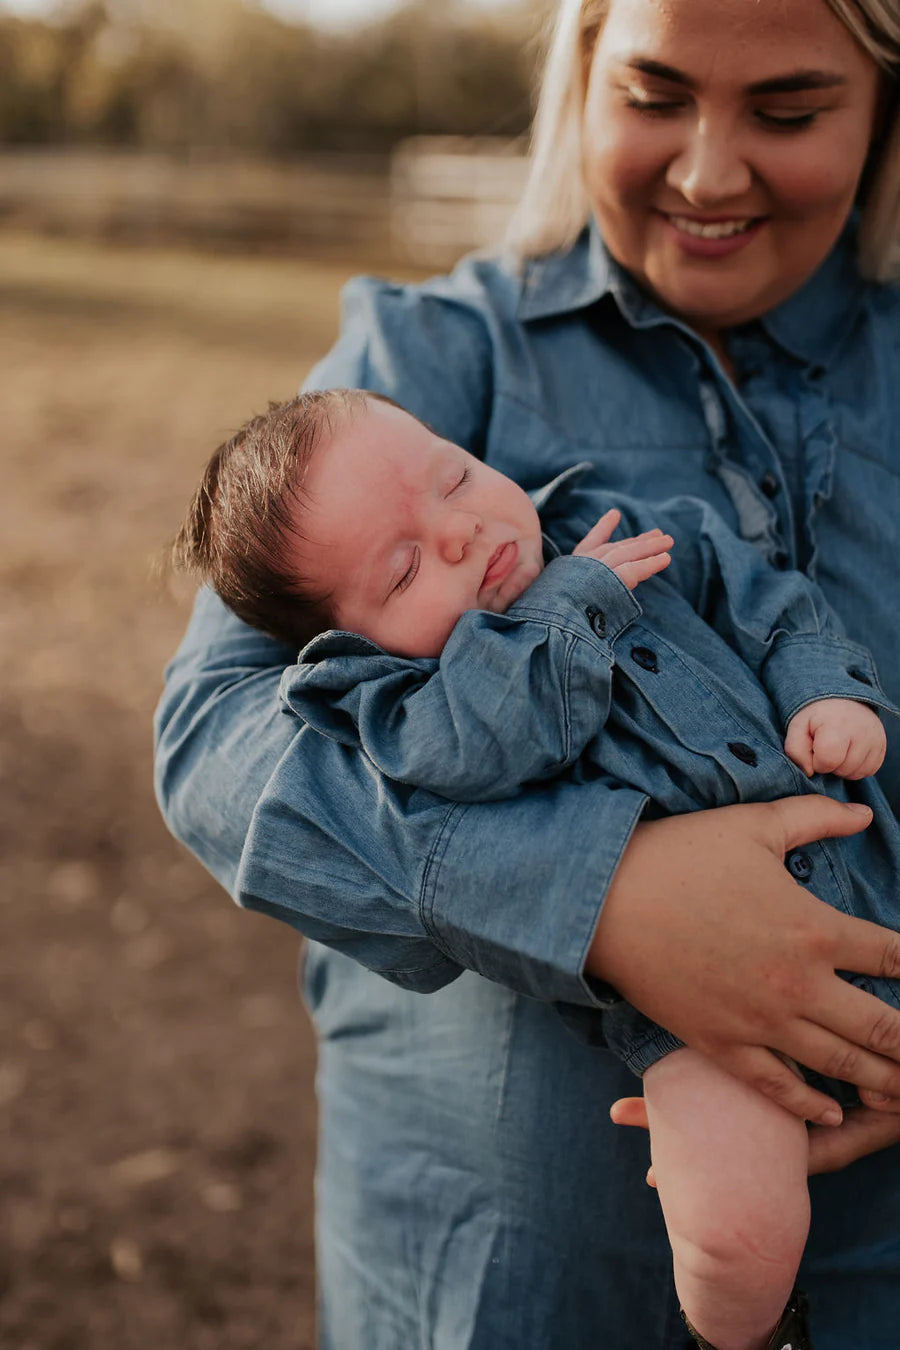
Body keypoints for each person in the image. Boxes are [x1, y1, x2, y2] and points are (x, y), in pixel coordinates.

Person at [154, 0, 900, 1346]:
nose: (708, 170)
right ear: (579, 78)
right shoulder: (427, 359)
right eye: (655, 94)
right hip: (509, 1288)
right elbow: (217, 743)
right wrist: (598, 892)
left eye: (786, 111)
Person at [172, 386, 897, 1348]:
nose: (463, 532)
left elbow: (772, 602)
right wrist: (571, 605)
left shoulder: (635, 531)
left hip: (869, 871)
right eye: (404, 569)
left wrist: (825, 691)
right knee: (734, 1226)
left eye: (455, 478)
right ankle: (748, 1330)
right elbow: (478, 748)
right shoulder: (406, 698)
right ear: (351, 642)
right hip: (694, 1014)